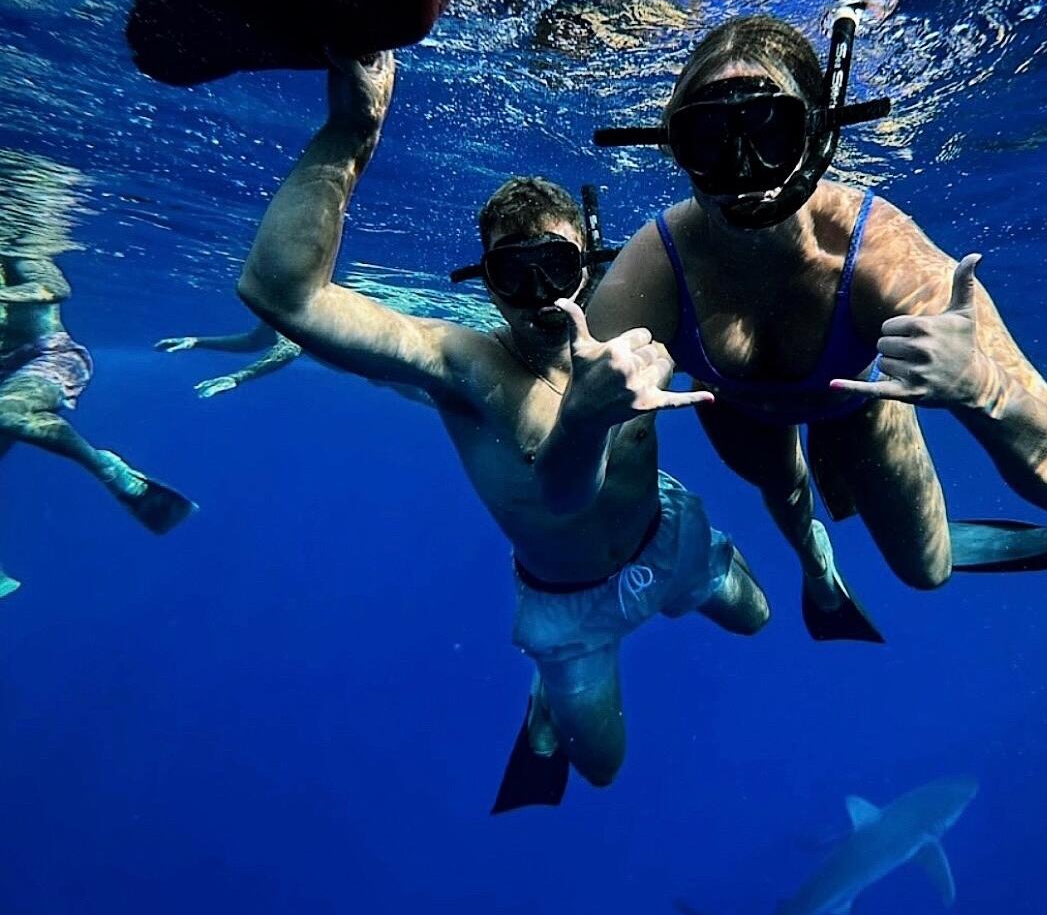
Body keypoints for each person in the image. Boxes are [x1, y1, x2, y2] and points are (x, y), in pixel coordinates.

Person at [555, 11, 1047, 660]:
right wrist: (584, 419)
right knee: (783, 491)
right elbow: (559, 492)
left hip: (864, 407)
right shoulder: (653, 267)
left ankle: (886, 511)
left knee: (926, 573)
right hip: (738, 410)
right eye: (710, 138)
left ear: (818, 139)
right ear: (674, 146)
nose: (743, 174)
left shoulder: (880, 258)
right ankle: (820, 571)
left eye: (769, 133)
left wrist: (984, 389)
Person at [236, 51, 769, 805]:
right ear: (485, 282)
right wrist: (351, 131)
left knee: (759, 617)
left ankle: (706, 560)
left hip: (669, 533)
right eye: (514, 276)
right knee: (603, 767)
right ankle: (544, 697)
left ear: (590, 260)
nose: (542, 298)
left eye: (556, 267)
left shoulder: (641, 316)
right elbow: (280, 293)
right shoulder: (462, 365)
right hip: (570, 603)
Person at [0, 252, 196, 599]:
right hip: (7, 373)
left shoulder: (18, 248)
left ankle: (108, 469)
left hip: (50, 358)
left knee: (6, 413)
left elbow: (54, 287)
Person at [155, 319, 302, 398]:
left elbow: (291, 347)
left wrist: (237, 377)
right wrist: (196, 341)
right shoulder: (279, 303)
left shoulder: (298, 297)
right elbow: (255, 341)